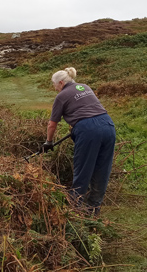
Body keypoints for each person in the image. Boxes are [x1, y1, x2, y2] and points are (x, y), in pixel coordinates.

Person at [43, 67, 115, 216]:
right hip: (108, 125)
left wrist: (48, 142)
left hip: (88, 130)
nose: (54, 87)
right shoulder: (85, 87)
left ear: (61, 83)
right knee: (102, 169)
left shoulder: (61, 96)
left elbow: (52, 124)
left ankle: (74, 208)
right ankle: (93, 209)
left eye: (54, 84)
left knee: (83, 170)